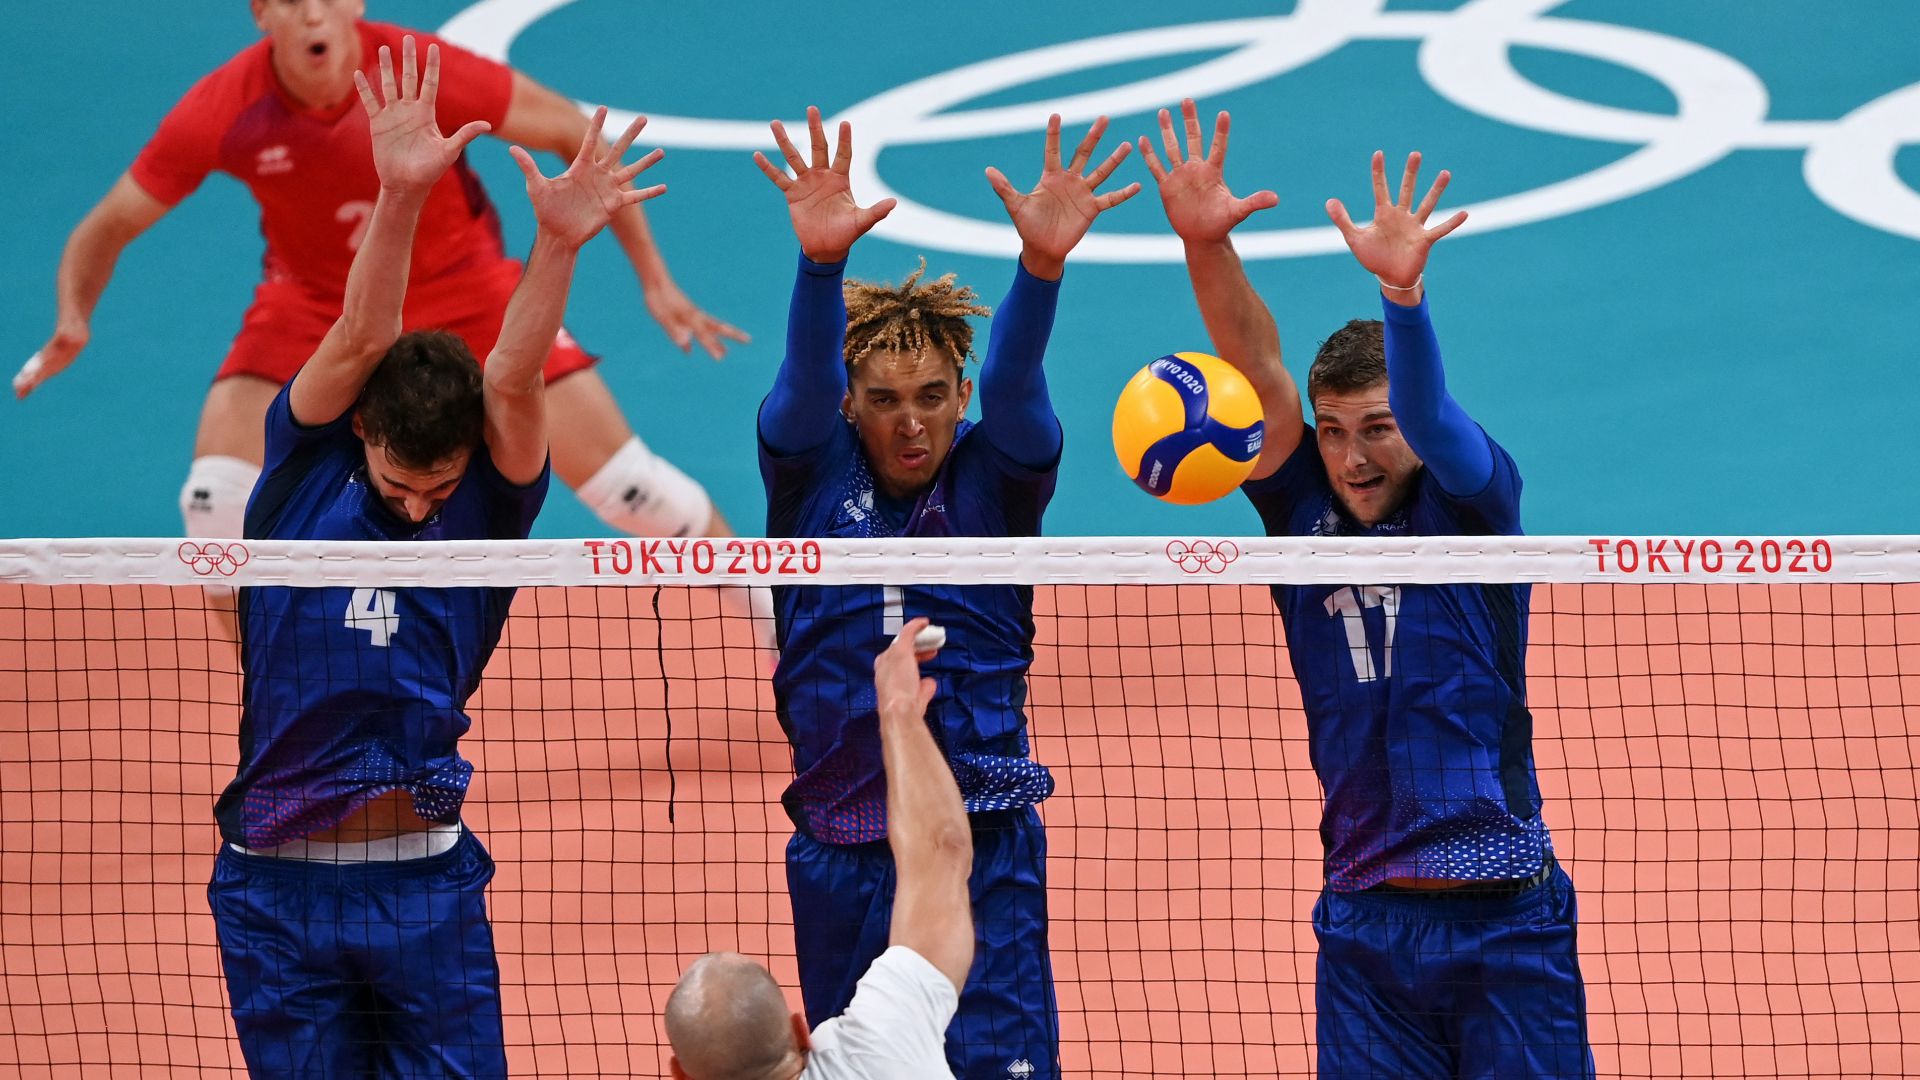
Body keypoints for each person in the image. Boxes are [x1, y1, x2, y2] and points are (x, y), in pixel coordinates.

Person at [208, 38, 652, 1076]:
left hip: (421, 880)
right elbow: (361, 333)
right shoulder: (300, 475)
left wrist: (558, 245)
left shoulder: (486, 511)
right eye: (399, 486)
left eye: (437, 490)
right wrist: (402, 188)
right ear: (360, 433)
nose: (417, 509)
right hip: (273, 883)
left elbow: (515, 377)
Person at [1141, 99, 1594, 1078]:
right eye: (1335, 430)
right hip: (1363, 922)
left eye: (1377, 429)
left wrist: (1403, 293)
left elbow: (1430, 410)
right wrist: (1206, 246)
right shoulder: (1302, 516)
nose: (1352, 456)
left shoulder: (1471, 506)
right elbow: (1257, 370)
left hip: (1506, 920)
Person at [18, 0, 744, 543]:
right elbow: (107, 224)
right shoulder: (225, 108)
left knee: (638, 493)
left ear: (354, 3)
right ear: (261, 12)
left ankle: (782, 637)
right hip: (316, 309)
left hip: (465, 291)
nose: (312, 13)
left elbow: (569, 132)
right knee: (214, 509)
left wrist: (656, 280)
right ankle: (273, 690)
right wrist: (73, 319)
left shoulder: (422, 72)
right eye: (289, 0)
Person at [749, 107, 1137, 1079]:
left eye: (931, 397)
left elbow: (1018, 382)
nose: (911, 423)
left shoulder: (996, 480)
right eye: (884, 400)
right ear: (851, 405)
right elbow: (800, 385)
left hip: (980, 843)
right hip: (839, 848)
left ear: (960, 398)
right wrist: (820, 268)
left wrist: (1040, 268)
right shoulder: (807, 475)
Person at [665, 619, 974, 1080]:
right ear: (799, 1030)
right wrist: (899, 711)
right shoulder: (883, 1040)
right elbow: (942, 850)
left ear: (680, 1076)